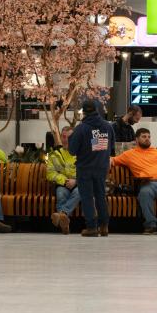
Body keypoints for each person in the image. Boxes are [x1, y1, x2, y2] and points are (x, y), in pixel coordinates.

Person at [68, 99, 115, 237]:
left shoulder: (81, 128)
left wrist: (71, 139)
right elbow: (111, 147)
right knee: (100, 195)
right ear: (96, 110)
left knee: (87, 197)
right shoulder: (108, 126)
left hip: (85, 168)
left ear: (84, 112)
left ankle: (91, 227)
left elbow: (72, 151)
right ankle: (104, 226)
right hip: (102, 167)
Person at [47, 125, 79, 235]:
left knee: (79, 192)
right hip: (63, 184)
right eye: (64, 137)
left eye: (69, 137)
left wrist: (75, 181)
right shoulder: (54, 155)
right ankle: (64, 222)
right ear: (61, 137)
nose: (66, 140)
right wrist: (65, 181)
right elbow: (51, 173)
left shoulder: (81, 153)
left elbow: (87, 171)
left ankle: (62, 215)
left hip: (78, 184)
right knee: (61, 194)